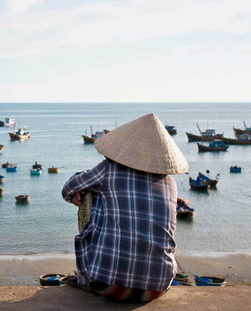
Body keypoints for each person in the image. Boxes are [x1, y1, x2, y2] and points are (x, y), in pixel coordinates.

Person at [61, 113, 189, 303]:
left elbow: (67, 189)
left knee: (92, 195)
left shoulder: (108, 170)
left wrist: (79, 192)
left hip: (107, 285)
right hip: (158, 287)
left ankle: (87, 275)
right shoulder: (170, 183)